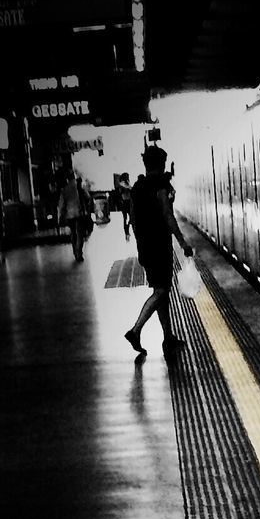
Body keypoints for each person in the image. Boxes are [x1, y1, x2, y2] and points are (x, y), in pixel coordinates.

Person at [124, 144, 194, 358]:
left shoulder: (137, 187)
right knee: (162, 291)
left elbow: (134, 219)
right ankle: (135, 331)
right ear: (161, 163)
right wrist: (182, 242)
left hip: (146, 246)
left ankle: (168, 338)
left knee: (162, 291)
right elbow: (167, 215)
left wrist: (140, 241)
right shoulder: (160, 185)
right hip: (159, 245)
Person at [56, 163, 90, 262]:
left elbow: (61, 205)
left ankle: (75, 252)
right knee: (80, 234)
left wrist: (60, 216)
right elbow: (87, 197)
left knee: (73, 234)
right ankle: (79, 253)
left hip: (69, 215)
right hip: (79, 213)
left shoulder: (64, 190)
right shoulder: (80, 186)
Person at [116, 172, 132, 239]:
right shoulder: (122, 184)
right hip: (126, 203)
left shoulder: (125, 184)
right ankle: (127, 232)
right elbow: (126, 188)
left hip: (127, 202)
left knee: (128, 218)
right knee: (126, 218)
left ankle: (127, 232)